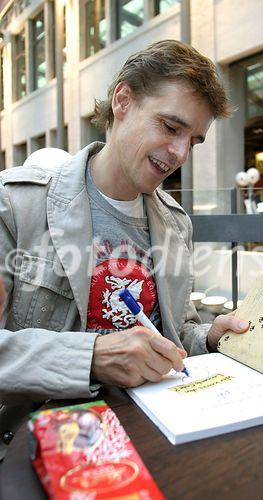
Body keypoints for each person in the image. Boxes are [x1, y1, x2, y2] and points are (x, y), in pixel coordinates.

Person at [0, 40, 248, 457]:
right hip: (36, 448)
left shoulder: (176, 223)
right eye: (170, 127)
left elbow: (172, 331)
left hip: (157, 438)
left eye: (195, 141)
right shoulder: (15, 204)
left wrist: (209, 337)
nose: (180, 153)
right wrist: (91, 357)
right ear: (122, 101)